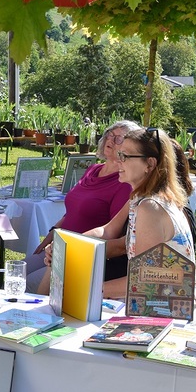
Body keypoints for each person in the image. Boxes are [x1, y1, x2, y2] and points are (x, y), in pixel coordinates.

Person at [29, 120, 142, 289]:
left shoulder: (124, 183)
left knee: (27, 285)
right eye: (110, 135)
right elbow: (72, 211)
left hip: (80, 254)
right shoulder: (93, 169)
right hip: (59, 245)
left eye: (119, 138)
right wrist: (51, 235)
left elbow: (113, 232)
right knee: (12, 274)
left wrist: (73, 247)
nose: (111, 140)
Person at [90, 128, 196, 300]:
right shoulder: (142, 198)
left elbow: (144, 281)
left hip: (163, 309)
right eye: (119, 154)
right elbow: (108, 231)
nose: (117, 161)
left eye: (125, 156)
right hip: (152, 305)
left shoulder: (150, 208)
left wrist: (88, 291)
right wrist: (67, 245)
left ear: (150, 164)